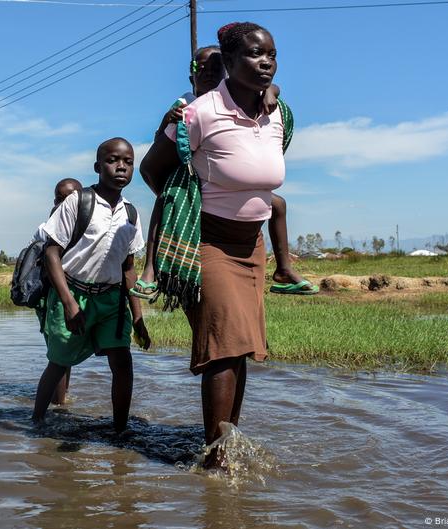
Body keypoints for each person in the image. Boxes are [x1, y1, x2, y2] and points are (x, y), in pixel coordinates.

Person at [139, 22, 285, 466]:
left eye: (272, 56)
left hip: (252, 246)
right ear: (230, 62)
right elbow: (151, 170)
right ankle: (216, 458)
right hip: (209, 241)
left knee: (240, 347)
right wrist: (184, 203)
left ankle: (229, 439)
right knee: (223, 345)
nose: (266, 63)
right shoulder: (196, 114)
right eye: (256, 55)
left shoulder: (278, 113)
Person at [132, 45, 316, 300]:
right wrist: (167, 119)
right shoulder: (187, 105)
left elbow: (273, 87)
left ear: (229, 71)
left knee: (279, 205)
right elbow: (159, 149)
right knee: (167, 201)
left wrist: (270, 92)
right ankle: (150, 269)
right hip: (187, 181)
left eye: (215, 67)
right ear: (191, 77)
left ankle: (283, 268)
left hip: (230, 199)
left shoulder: (241, 103)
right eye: (200, 68)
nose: (207, 72)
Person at [32, 137, 151, 433]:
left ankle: (120, 432)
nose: (121, 167)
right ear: (98, 166)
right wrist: (69, 303)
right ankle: (36, 423)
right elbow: (51, 253)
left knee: (123, 363)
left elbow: (128, 269)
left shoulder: (131, 215)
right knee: (59, 362)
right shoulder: (78, 202)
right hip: (73, 293)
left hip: (111, 300)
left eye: (127, 162)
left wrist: (138, 318)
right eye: (112, 160)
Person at [32, 178, 83, 405]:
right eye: (60, 199)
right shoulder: (47, 228)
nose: (65, 203)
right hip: (52, 299)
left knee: (66, 354)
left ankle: (60, 398)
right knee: (60, 356)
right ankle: (60, 405)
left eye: (71, 198)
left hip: (75, 295)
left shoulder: (85, 224)